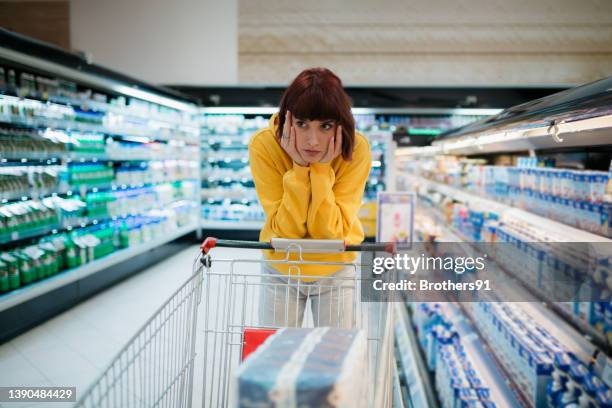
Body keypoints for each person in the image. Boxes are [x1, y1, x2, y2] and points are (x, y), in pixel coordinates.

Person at [248, 67, 371, 328]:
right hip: (282, 268)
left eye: (325, 126)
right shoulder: (265, 145)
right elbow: (285, 231)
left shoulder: (356, 149)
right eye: (301, 124)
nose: (312, 141)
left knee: (334, 358)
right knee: (277, 359)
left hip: (336, 269)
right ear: (287, 119)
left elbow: (331, 232)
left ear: (340, 124)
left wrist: (321, 170)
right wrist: (299, 169)